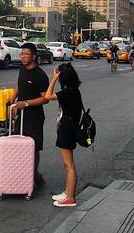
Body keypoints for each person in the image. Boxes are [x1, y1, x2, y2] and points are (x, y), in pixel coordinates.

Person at [44, 63, 83, 208]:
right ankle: (67, 192)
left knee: (69, 165)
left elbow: (47, 96)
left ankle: (70, 198)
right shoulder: (73, 90)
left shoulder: (68, 92)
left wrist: (53, 79)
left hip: (67, 130)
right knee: (67, 165)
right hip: (68, 129)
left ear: (62, 77)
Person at [11, 42, 50, 186]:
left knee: (33, 146)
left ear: (33, 56)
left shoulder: (40, 75)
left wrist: (26, 103)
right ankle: (22, 174)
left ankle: (33, 176)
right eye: (21, 54)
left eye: (26, 54)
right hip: (21, 114)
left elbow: (45, 98)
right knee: (18, 144)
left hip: (34, 116)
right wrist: (12, 99)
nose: (23, 57)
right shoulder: (22, 69)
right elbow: (19, 84)